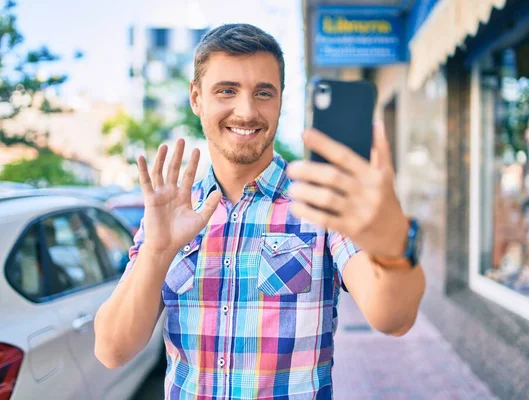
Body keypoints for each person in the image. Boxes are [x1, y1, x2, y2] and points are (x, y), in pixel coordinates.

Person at [94, 23, 425, 400]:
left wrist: (393, 244)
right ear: (196, 97)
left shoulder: (323, 203)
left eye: (263, 93)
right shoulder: (171, 211)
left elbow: (394, 319)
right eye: (227, 91)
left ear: (281, 99)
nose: (246, 111)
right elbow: (111, 350)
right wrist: (156, 250)